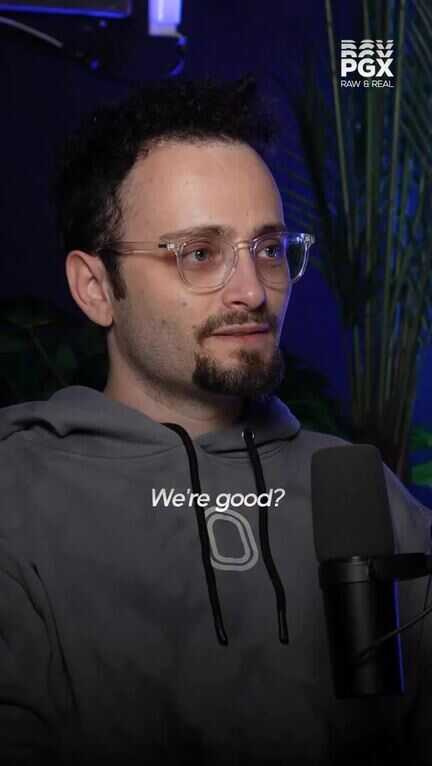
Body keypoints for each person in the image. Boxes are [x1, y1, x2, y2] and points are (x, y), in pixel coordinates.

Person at [0, 78, 431, 766]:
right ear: (95, 287)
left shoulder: (357, 491)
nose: (253, 291)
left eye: (269, 248)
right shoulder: (17, 498)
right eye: (199, 254)